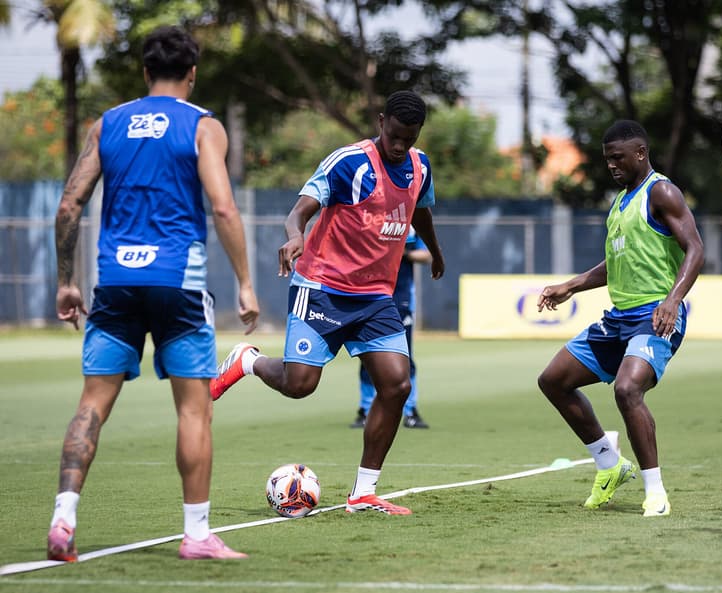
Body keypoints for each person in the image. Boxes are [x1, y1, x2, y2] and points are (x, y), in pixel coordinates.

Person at [48, 26, 259, 561]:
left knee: (91, 404)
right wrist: (245, 284)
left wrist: (66, 280)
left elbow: (69, 205)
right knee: (193, 411)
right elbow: (224, 207)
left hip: (115, 281)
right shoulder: (203, 126)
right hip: (177, 283)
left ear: (145, 73)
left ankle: (64, 517)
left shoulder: (107, 124)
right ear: (192, 73)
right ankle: (196, 535)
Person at [212, 90, 445, 516]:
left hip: (376, 295)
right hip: (322, 287)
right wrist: (295, 234)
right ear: (380, 122)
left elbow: (420, 210)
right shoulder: (348, 163)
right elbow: (299, 210)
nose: (399, 146)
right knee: (300, 385)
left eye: (408, 139)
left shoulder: (420, 166)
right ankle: (248, 360)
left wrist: (436, 250)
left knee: (397, 384)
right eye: (393, 136)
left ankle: (362, 493)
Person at [537, 120, 704, 517]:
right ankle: (610, 465)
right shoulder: (619, 203)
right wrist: (572, 286)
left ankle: (656, 493)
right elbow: (615, 264)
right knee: (553, 381)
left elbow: (696, 249)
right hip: (619, 320)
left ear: (640, 153)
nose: (611, 166)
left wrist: (673, 299)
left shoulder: (660, 191)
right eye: (607, 159)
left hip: (656, 316)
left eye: (618, 158)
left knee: (627, 390)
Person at [350, 226, 432, 429]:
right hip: (368, 298)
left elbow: (426, 255)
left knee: (405, 357)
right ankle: (365, 409)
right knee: (367, 356)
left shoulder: (411, 227)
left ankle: (410, 410)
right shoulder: (367, 221)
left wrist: (403, 252)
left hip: (401, 299)